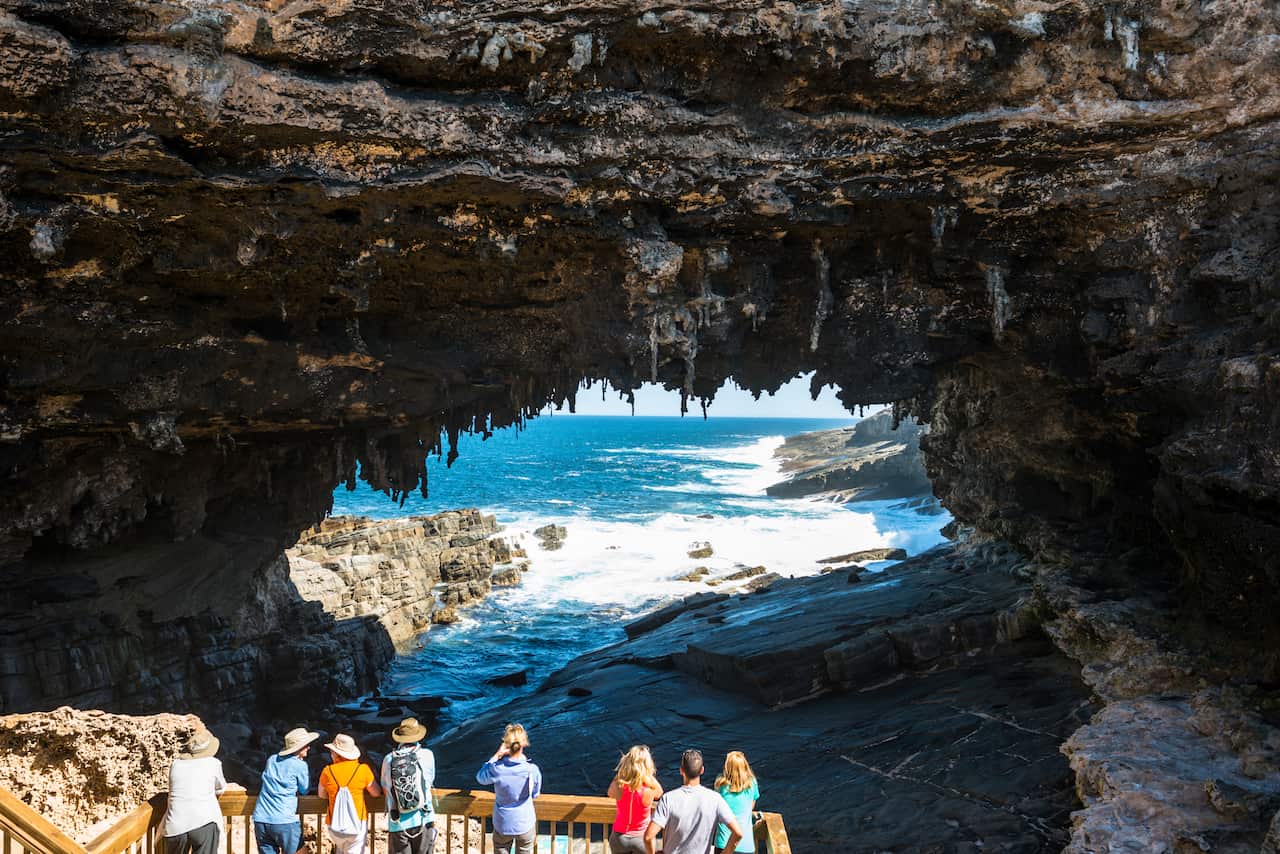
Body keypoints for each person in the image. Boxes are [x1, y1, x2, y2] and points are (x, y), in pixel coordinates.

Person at [644, 750, 741, 854]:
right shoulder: (715, 799)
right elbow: (738, 833)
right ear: (702, 770)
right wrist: (726, 852)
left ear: (681, 770)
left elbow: (648, 837)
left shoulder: (668, 799)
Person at [475, 723, 542, 854]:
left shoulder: (497, 769)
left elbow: (480, 777)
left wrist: (497, 755)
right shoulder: (532, 770)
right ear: (524, 743)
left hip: (503, 823)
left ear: (506, 745)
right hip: (525, 822)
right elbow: (535, 794)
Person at [252, 727, 318, 854]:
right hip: (284, 819)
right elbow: (304, 789)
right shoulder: (300, 765)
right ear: (299, 748)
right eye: (307, 745)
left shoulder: (272, 759)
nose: (309, 747)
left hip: (261, 818)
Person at [161, 728, 228, 854]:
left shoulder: (176, 764)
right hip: (203, 821)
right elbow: (221, 789)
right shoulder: (213, 763)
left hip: (175, 824)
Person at [380, 717, 438, 854]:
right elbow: (430, 780)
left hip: (398, 822)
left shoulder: (389, 759)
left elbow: (385, 787)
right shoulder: (427, 755)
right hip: (424, 818)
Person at [318, 733, 382, 854]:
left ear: (336, 754)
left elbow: (321, 795)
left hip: (334, 824)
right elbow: (375, 793)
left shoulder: (327, 771)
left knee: (340, 850)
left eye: (332, 751)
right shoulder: (362, 769)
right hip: (357, 822)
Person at [606, 745, 663, 853]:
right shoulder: (649, 789)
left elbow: (610, 792)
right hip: (641, 838)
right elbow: (660, 793)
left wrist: (623, 773)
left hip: (619, 837)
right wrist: (647, 774)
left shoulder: (620, 786)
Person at [713, 752, 759, 853]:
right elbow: (752, 804)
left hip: (724, 843)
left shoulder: (720, 784)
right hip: (746, 845)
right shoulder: (752, 783)